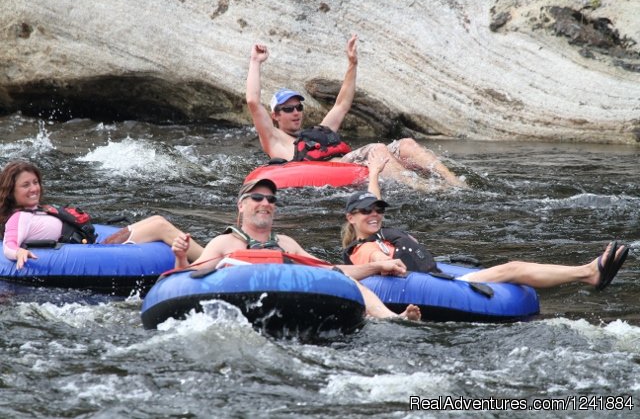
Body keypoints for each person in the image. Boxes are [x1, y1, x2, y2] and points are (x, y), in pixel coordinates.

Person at [340, 154, 630, 290]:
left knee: (514, 269)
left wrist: (375, 173)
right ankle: (587, 273)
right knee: (513, 268)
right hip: (435, 285)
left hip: (437, 276)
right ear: (351, 219)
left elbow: (372, 201)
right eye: (366, 212)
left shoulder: (373, 229)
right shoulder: (364, 249)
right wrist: (385, 262)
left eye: (377, 210)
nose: (374, 214)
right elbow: (376, 260)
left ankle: (587, 272)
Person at [171, 178, 421, 321]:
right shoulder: (223, 243)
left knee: (348, 282)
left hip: (291, 305)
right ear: (241, 206)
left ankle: (391, 319)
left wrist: (377, 266)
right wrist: (181, 257)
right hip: (242, 305)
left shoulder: (287, 243)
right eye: (257, 198)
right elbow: (187, 282)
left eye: (271, 199)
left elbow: (331, 270)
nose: (265, 203)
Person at [245, 34, 466, 190]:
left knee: (406, 143)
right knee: (377, 149)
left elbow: (342, 104)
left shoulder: (318, 133)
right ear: (275, 115)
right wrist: (255, 62)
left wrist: (352, 64)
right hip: (342, 169)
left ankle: (455, 183)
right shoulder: (274, 140)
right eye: (288, 109)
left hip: (350, 163)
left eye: (299, 107)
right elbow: (253, 101)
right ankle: (426, 189)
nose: (295, 112)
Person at [0, 160, 204, 270]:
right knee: (159, 225)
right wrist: (18, 253)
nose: (34, 188)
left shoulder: (36, 210)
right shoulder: (18, 218)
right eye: (25, 185)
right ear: (11, 191)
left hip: (93, 244)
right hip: (96, 251)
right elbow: (9, 246)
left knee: (156, 221)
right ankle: (211, 260)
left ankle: (208, 257)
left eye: (35, 182)